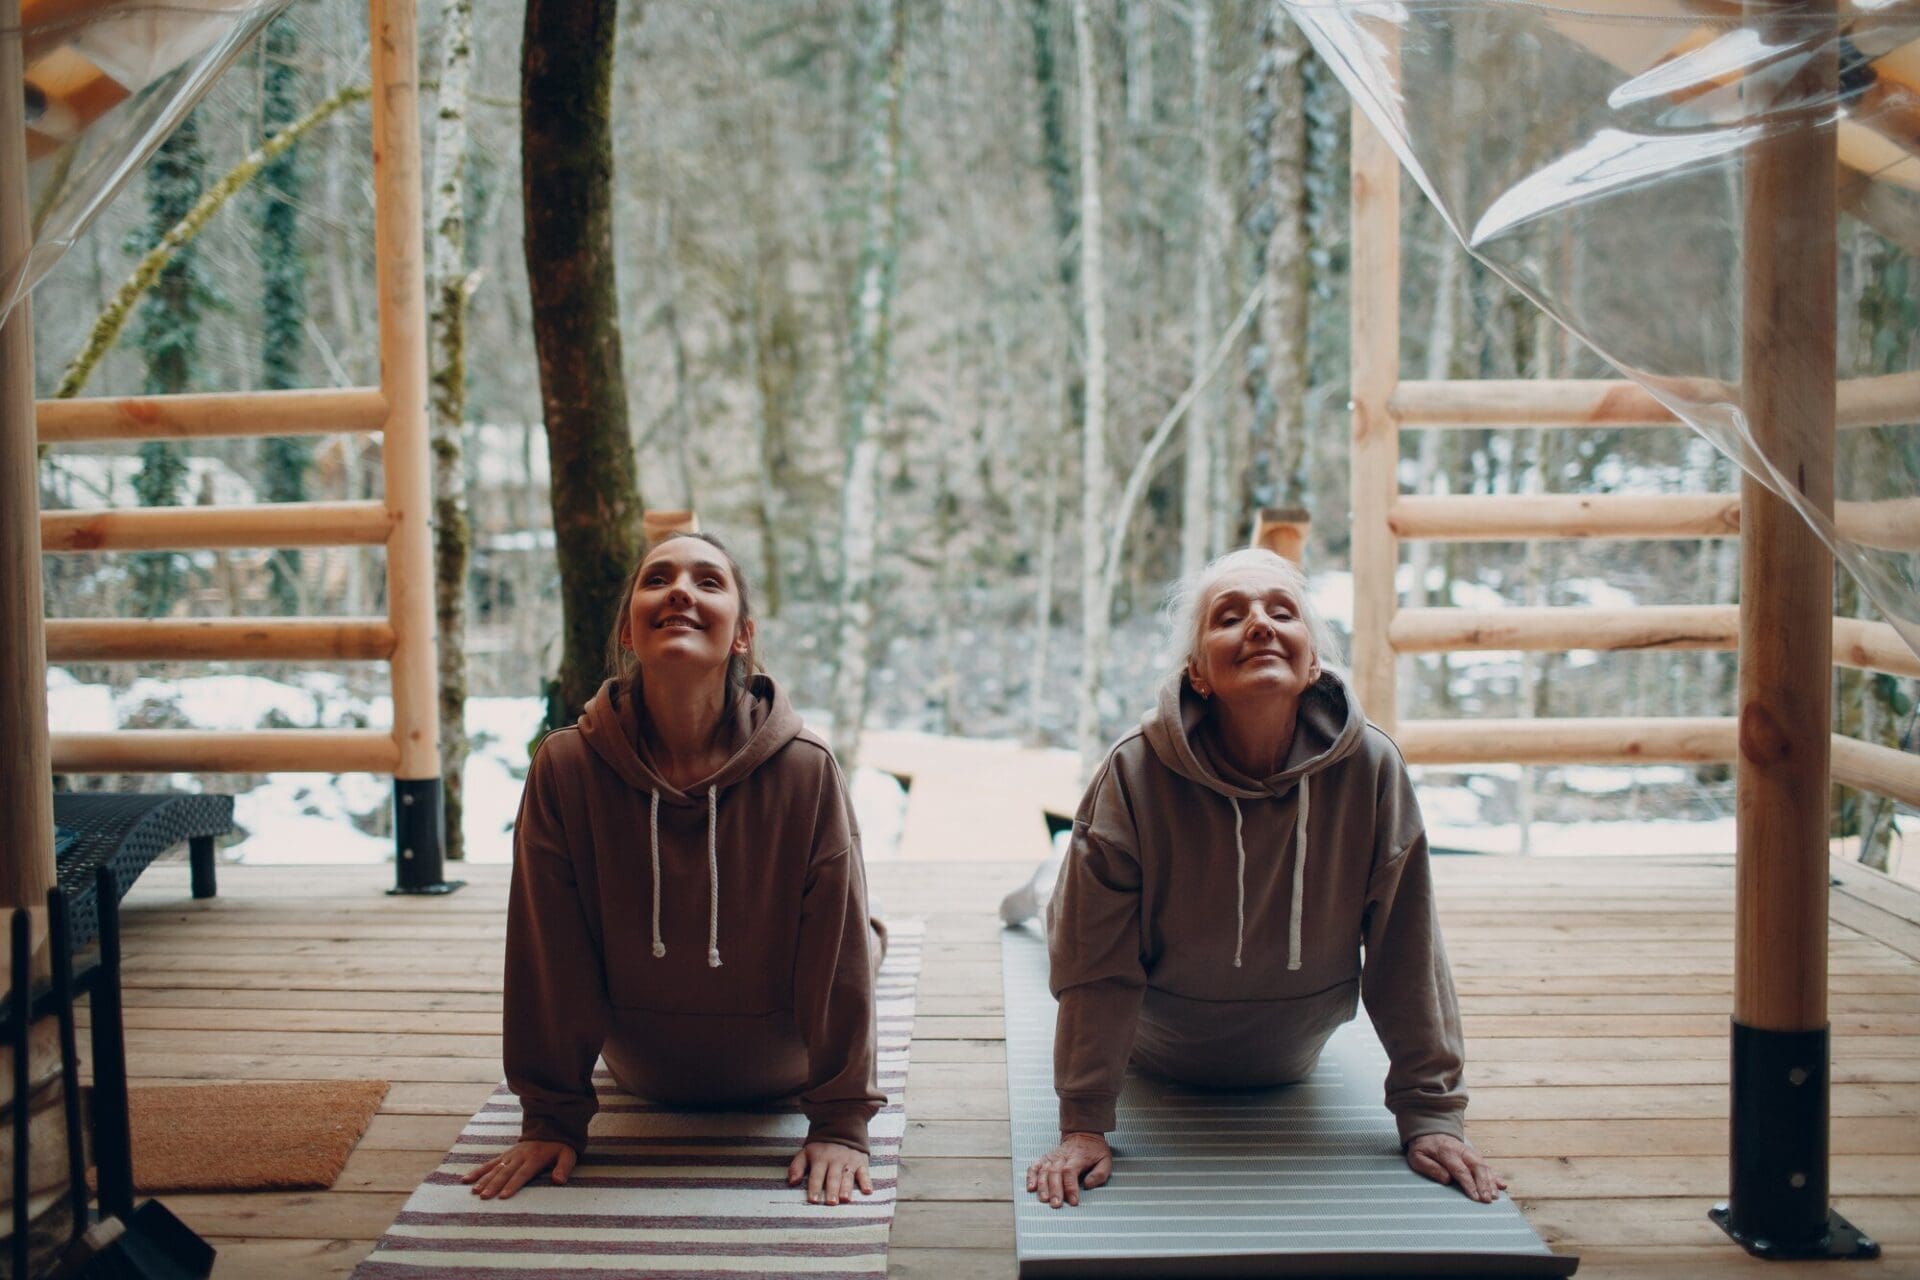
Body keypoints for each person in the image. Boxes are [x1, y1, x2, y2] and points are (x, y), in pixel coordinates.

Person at [1023, 547, 1504, 1209]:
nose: (1260, 625)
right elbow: (1094, 964)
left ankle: (1056, 870)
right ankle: (1049, 878)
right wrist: (1082, 1121)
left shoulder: (1371, 768)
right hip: (1156, 1050)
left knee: (1070, 890)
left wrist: (1430, 1113)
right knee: (1062, 917)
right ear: (1197, 673)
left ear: (1312, 663)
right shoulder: (1133, 774)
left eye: (1283, 612)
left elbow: (1408, 948)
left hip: (1291, 1057)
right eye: (1230, 617)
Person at [464, 531, 885, 1207]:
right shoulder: (566, 769)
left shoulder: (806, 769)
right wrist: (549, 1119)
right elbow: (549, 956)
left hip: (785, 1065)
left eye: (708, 582)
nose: (681, 591)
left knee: (856, 941)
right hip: (644, 1071)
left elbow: (835, 966)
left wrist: (840, 1124)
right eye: (657, 579)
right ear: (628, 631)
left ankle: (879, 936)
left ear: (742, 635)